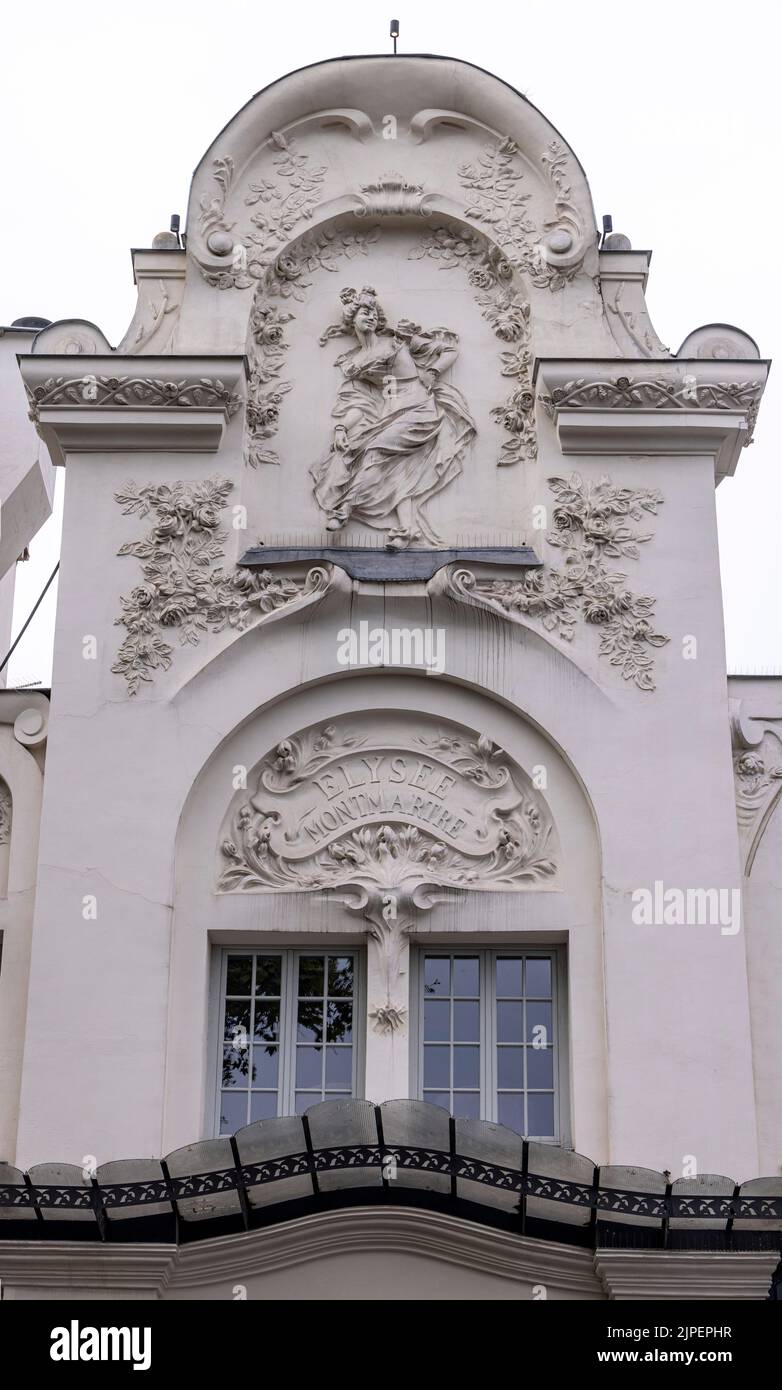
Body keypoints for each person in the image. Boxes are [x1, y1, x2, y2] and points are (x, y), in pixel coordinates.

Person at [311, 286, 475, 549]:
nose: (371, 316)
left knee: (374, 452)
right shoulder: (353, 361)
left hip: (419, 408)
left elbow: (450, 351)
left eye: (374, 312)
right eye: (364, 311)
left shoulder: (398, 340)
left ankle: (344, 509)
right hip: (388, 414)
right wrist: (341, 427)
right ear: (351, 318)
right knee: (398, 474)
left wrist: (432, 371)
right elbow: (360, 403)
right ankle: (406, 530)